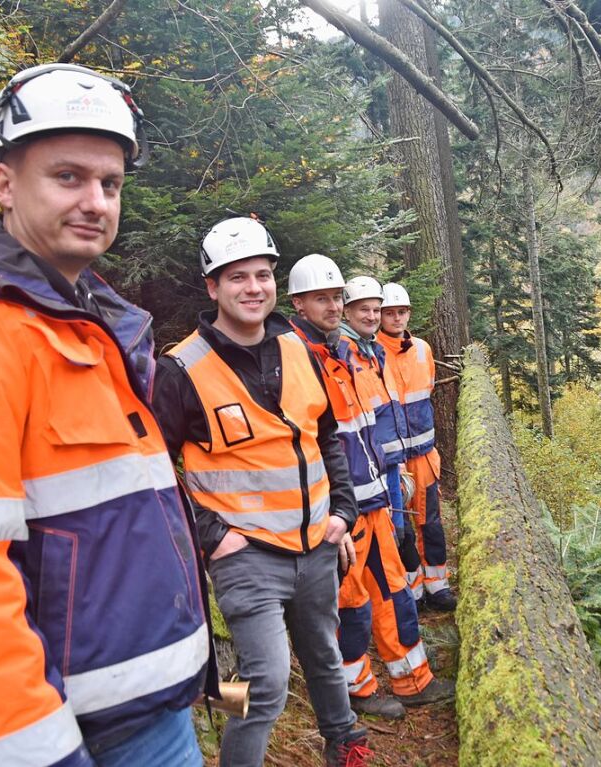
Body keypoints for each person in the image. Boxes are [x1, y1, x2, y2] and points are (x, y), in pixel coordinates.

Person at [0, 64, 214, 767]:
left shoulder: (90, 318)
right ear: (3, 180)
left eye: (110, 184)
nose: (95, 201)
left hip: (149, 709)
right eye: (68, 177)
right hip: (72, 732)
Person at [152, 219, 371, 767]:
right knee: (265, 682)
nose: (253, 287)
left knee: (325, 654)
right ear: (212, 287)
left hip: (317, 545)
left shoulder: (299, 350)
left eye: (263, 275)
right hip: (245, 556)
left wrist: (343, 510)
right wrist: (211, 536)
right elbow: (152, 470)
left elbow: (324, 437)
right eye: (237, 278)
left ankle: (344, 746)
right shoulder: (181, 370)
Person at [315, 272, 455, 713]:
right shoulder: (322, 362)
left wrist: (393, 484)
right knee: (353, 598)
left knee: (392, 589)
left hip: (377, 491)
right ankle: (357, 690)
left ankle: (412, 680)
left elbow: (375, 433)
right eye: (364, 309)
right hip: (345, 505)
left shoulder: (368, 358)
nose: (375, 317)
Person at [377, 283, 456, 612]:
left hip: (424, 453)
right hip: (392, 459)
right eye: (390, 313)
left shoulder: (423, 350)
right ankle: (413, 589)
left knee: (431, 522)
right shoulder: (372, 352)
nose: (396, 318)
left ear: (409, 313)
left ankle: (437, 583)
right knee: (402, 526)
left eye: (402, 312)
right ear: (381, 315)